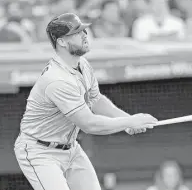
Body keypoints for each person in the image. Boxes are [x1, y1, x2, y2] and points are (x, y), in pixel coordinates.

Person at [13, 13, 158, 190]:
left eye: (83, 30)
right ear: (62, 42)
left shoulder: (82, 64)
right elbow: (90, 124)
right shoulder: (56, 80)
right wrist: (129, 121)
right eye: (77, 32)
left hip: (71, 148)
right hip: (40, 151)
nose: (84, 35)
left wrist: (127, 120)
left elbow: (96, 99)